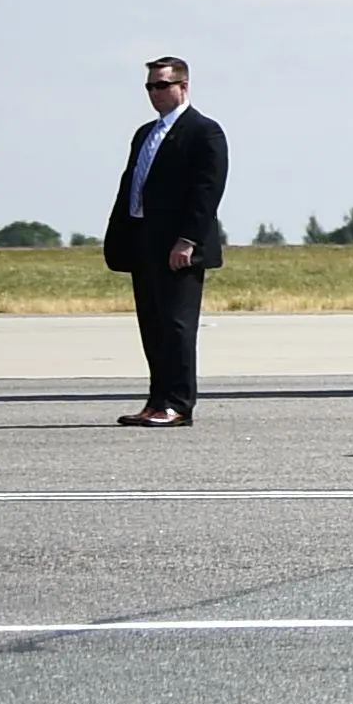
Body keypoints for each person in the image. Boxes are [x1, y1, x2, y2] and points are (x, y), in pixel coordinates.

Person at [102, 58, 223, 429]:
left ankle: (179, 403)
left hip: (179, 249)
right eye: (150, 87)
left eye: (162, 85)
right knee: (152, 326)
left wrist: (187, 240)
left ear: (183, 86)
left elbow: (207, 192)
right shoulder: (145, 134)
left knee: (176, 327)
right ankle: (157, 400)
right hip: (144, 244)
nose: (155, 93)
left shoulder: (204, 132)